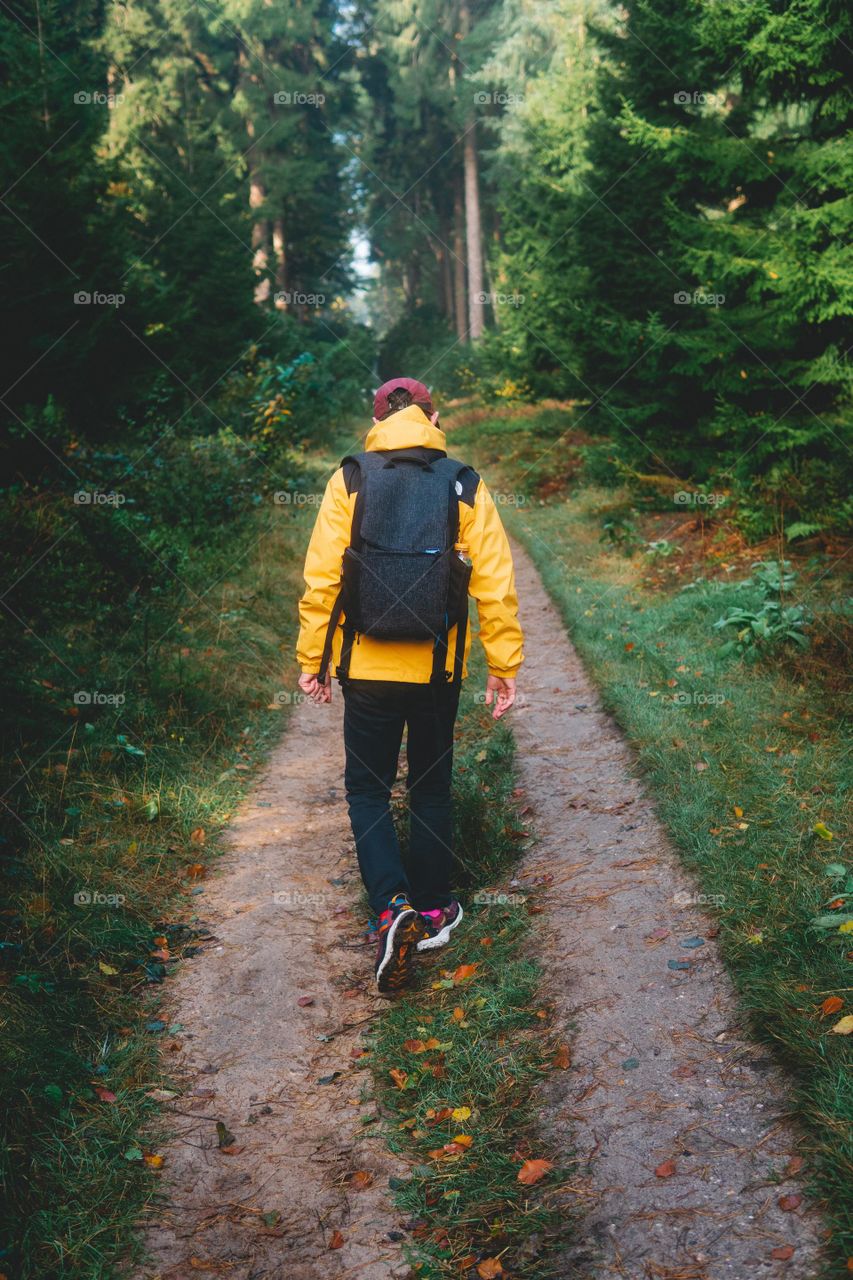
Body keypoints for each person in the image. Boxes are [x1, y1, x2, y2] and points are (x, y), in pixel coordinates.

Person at [296, 377, 524, 992]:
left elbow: (323, 580)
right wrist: (503, 665)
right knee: (429, 787)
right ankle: (433, 908)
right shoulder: (464, 482)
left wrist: (312, 660)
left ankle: (390, 906)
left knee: (367, 791)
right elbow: (494, 586)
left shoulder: (350, 478)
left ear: (377, 421)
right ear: (434, 415)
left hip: (366, 668)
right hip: (436, 668)